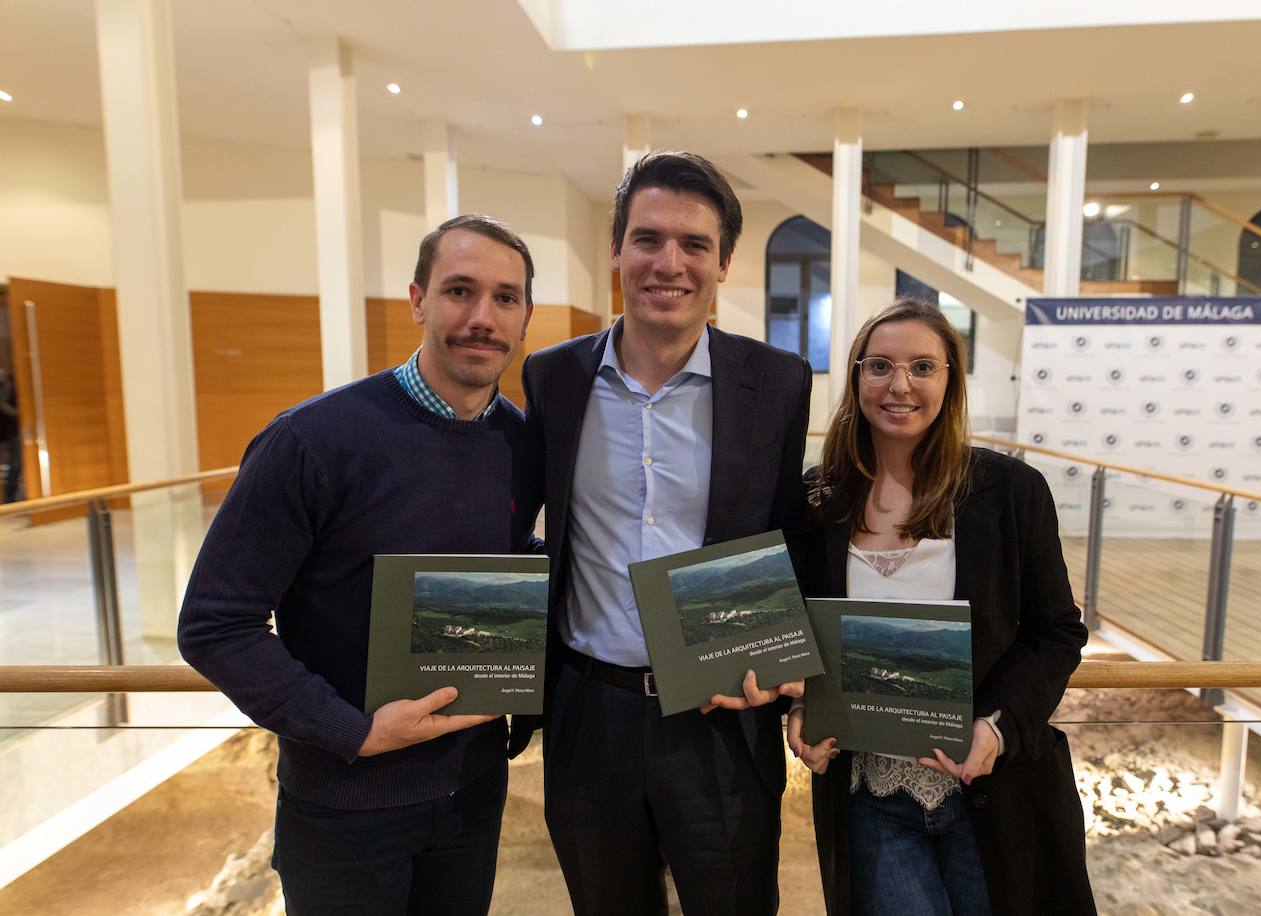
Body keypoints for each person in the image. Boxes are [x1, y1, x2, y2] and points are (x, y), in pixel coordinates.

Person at [178, 214, 543, 915]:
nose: (481, 317)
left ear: (525, 315)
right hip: (345, 806)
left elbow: (499, 566)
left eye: (504, 298)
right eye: (458, 291)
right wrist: (354, 731)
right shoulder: (311, 441)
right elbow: (215, 623)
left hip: (473, 794)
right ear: (417, 299)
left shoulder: (522, 444)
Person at [514, 150, 812, 916]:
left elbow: (788, 537)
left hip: (722, 714)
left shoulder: (777, 383)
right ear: (615, 250)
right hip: (590, 713)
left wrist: (789, 666)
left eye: (694, 245)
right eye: (647, 239)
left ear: (724, 265)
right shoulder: (552, 378)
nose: (668, 263)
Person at [786, 298, 1095, 915]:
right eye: (880, 366)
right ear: (855, 379)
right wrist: (799, 710)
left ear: (951, 381)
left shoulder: (1010, 492)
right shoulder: (816, 501)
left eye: (923, 367)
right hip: (871, 795)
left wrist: (998, 726)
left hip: (990, 790)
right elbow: (801, 640)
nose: (900, 385)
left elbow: (1058, 632)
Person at [0, 366, 21, 503]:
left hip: (14, 430)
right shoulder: (10, 384)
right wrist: (19, 414)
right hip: (12, 430)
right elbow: (2, 404)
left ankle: (11, 497)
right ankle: (9, 498)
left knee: (16, 464)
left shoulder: (11, 383)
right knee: (15, 464)